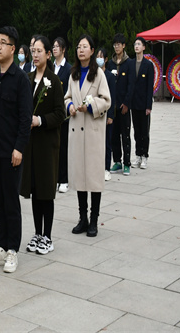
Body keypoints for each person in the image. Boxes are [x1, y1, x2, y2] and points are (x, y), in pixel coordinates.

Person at [0, 26, 32, 273]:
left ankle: (13, 249)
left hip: (11, 152)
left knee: (11, 202)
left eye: (3, 43)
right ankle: (1, 245)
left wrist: (19, 148)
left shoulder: (21, 80)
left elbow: (25, 117)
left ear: (13, 48)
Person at [20, 35, 65, 256]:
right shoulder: (27, 78)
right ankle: (37, 233)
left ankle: (47, 236)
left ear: (48, 54)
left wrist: (40, 120)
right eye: (33, 50)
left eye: (39, 51)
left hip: (47, 145)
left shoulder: (54, 81)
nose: (35, 55)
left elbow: (60, 113)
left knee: (46, 191)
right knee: (35, 190)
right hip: (31, 145)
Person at [64, 34, 112, 238]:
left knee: (93, 177)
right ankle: (82, 218)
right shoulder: (73, 73)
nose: (81, 50)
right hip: (76, 130)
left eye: (84, 47)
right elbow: (66, 96)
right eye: (78, 46)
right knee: (80, 177)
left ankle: (94, 220)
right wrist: (70, 105)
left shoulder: (98, 74)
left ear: (92, 51)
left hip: (92, 132)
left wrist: (90, 106)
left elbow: (106, 100)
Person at [109, 33, 135, 176]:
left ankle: (127, 163)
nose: (117, 46)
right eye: (115, 44)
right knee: (114, 135)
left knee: (125, 135)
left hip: (124, 106)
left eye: (119, 44)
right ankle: (117, 161)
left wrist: (126, 103)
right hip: (113, 106)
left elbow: (131, 85)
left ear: (124, 46)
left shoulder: (129, 63)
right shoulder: (111, 63)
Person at [131, 37, 154, 169]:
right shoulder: (131, 63)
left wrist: (148, 106)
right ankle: (138, 155)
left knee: (145, 132)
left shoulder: (148, 65)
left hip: (144, 104)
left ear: (144, 47)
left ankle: (145, 155)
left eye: (139, 44)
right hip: (134, 104)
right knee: (136, 131)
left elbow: (150, 87)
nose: (137, 46)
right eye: (135, 44)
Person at [53, 37, 71, 193]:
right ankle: (53, 178)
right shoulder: (50, 67)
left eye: (57, 46)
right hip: (50, 113)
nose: (54, 49)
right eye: (53, 46)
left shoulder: (69, 69)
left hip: (63, 114)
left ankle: (63, 179)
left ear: (63, 49)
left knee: (63, 147)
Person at [97, 47, 116, 181]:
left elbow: (112, 97)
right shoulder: (94, 75)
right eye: (97, 56)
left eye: (101, 56)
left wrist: (110, 115)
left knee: (107, 142)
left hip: (106, 113)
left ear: (106, 59)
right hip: (96, 113)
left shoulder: (109, 76)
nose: (98, 59)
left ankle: (106, 168)